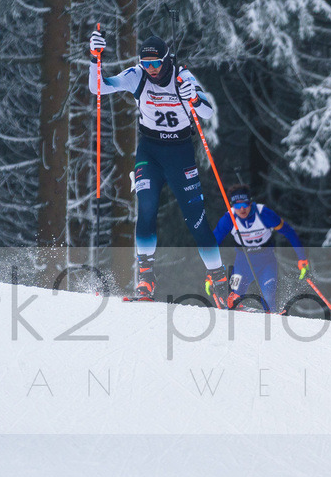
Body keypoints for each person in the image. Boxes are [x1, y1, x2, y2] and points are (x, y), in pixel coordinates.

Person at [88, 30, 229, 305]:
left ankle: (220, 282)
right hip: (150, 152)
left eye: (156, 64)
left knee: (196, 219)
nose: (151, 69)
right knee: (147, 207)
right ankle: (145, 278)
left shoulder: (182, 77)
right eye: (146, 64)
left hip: (180, 153)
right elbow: (99, 88)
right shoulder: (137, 75)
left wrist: (194, 98)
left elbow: (207, 112)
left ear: (166, 60)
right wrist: (95, 58)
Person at [212, 184, 309, 312]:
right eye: (237, 206)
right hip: (242, 264)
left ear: (250, 202)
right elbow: (211, 244)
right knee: (233, 298)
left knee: (269, 298)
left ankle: (271, 316)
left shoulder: (264, 214)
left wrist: (302, 258)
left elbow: (289, 232)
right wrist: (212, 271)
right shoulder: (229, 218)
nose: (242, 209)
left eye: (245, 204)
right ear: (232, 205)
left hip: (266, 263)